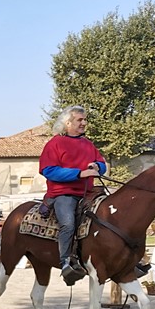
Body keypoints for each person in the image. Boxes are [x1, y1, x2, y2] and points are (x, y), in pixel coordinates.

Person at [39, 104, 106, 285]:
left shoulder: (88, 144)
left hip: (89, 193)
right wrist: (79, 173)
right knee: (68, 223)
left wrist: (97, 167)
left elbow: (102, 163)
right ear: (67, 122)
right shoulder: (55, 143)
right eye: (80, 120)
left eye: (85, 120)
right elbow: (48, 170)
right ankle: (66, 262)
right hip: (63, 193)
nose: (84, 123)